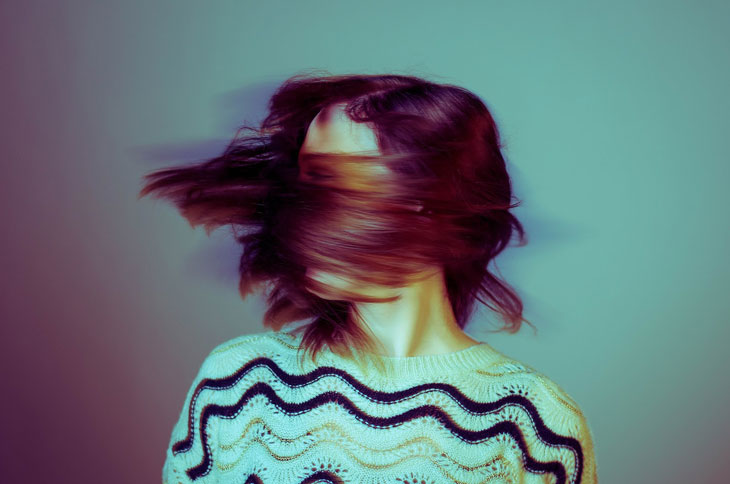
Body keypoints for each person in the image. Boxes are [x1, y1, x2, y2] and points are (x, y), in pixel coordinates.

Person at [139, 71, 598, 483]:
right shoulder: (237, 384)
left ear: (425, 194)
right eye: (305, 179)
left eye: (329, 177)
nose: (302, 207)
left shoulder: (535, 427)